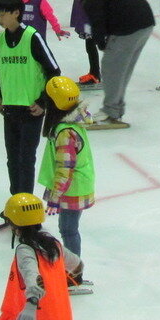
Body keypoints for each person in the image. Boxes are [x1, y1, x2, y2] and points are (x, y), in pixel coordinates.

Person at [67, 0, 154, 129]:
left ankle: (110, 111)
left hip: (129, 26)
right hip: (144, 22)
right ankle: (115, 109)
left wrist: (100, 40)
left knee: (111, 68)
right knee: (121, 69)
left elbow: (96, 15)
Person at [0, 0, 61, 196]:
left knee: (26, 159)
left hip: (31, 110)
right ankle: (16, 204)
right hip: (9, 109)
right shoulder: (1, 40)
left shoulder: (32, 37)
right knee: (12, 159)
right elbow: (2, 71)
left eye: (2, 14)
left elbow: (54, 72)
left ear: (16, 13)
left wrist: (43, 102)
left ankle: (26, 208)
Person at [38, 77, 92, 258]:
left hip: (72, 189)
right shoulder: (70, 124)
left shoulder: (65, 133)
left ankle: (74, 273)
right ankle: (72, 270)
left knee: (68, 230)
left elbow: (65, 169)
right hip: (75, 186)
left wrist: (55, 197)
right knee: (68, 229)